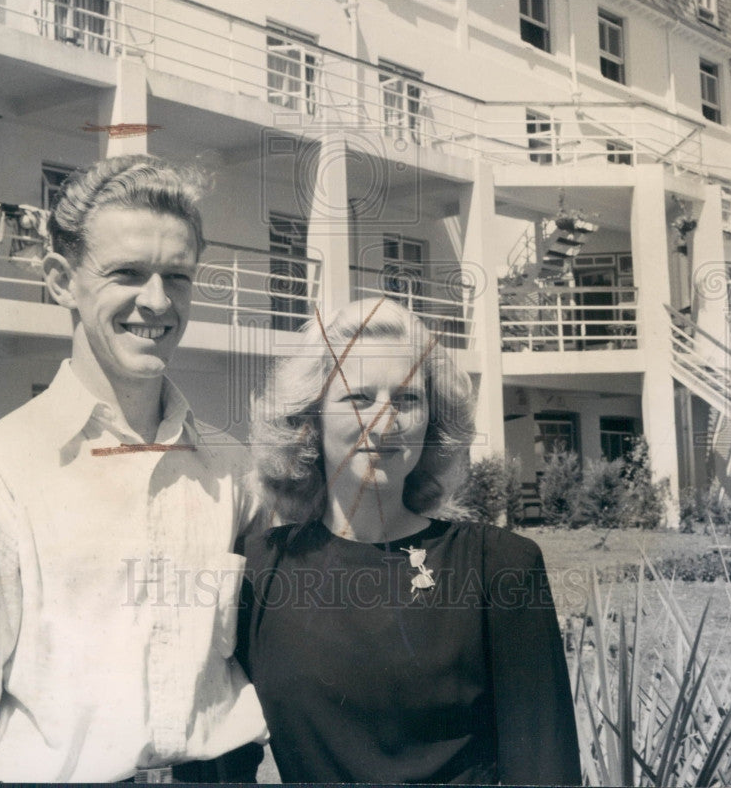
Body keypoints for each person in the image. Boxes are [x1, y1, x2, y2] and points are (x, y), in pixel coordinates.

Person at [0, 154, 266, 783]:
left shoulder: (231, 469)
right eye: (127, 273)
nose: (156, 303)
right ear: (60, 279)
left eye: (177, 277)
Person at [238, 298, 580, 785]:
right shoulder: (257, 569)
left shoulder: (499, 566)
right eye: (358, 397)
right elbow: (218, 759)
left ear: (433, 423)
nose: (385, 419)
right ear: (309, 420)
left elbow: (547, 769)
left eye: (408, 399)